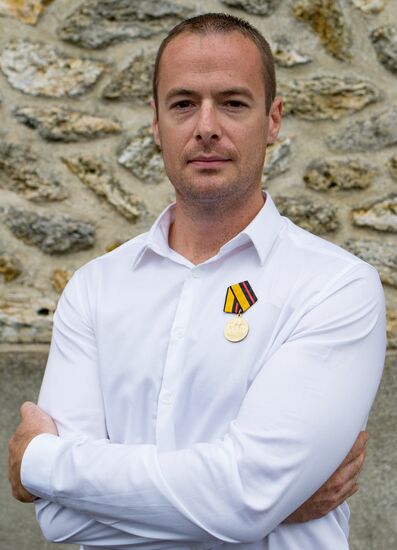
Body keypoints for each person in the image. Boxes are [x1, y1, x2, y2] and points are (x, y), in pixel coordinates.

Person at [8, 12, 386, 550]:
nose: (206, 126)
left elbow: (243, 498)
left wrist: (42, 462)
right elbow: (60, 520)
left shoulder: (335, 287)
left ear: (273, 119)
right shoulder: (94, 289)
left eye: (233, 103)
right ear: (156, 123)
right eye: (183, 103)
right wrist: (268, 507)